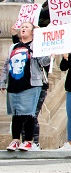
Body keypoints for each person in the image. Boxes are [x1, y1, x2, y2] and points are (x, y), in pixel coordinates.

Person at [3, 22, 50, 151]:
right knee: (16, 113)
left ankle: (28, 141)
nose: (23, 29)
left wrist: (50, 54)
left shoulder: (36, 45)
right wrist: (3, 82)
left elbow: (43, 62)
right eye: (22, 27)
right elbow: (7, 65)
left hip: (30, 84)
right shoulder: (13, 46)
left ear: (33, 32)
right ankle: (15, 140)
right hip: (14, 84)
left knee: (29, 113)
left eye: (27, 27)